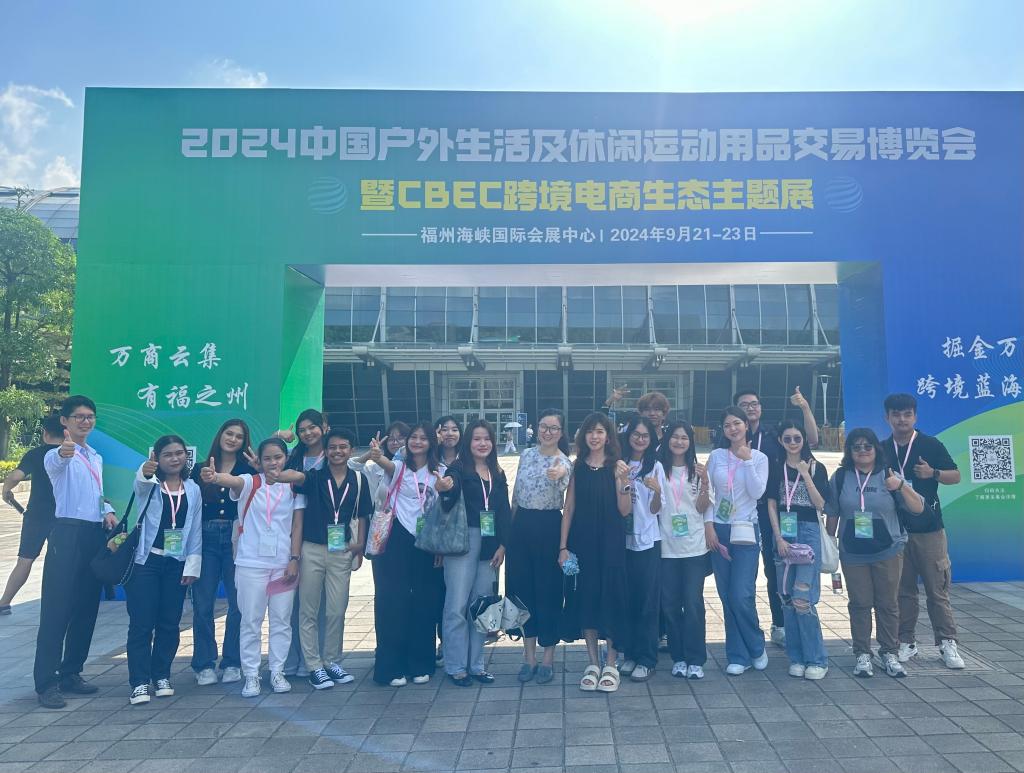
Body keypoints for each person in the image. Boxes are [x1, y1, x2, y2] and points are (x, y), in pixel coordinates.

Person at [200, 438, 305, 697]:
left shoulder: (294, 487)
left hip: (282, 565)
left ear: (286, 458)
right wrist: (215, 477)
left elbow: (297, 526)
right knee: (250, 621)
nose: (273, 463)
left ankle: (277, 671)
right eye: (267, 458)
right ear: (260, 460)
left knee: (281, 621)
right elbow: (233, 481)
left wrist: (294, 559)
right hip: (251, 564)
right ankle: (251, 674)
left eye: (278, 457)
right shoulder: (251, 482)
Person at [33, 395, 118, 708]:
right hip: (66, 534)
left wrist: (107, 510)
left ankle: (71, 672)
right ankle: (46, 682)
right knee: (57, 610)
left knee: (86, 608)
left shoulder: (95, 456)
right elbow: (59, 462)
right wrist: (64, 451)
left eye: (90, 416)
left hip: (93, 534)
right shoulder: (56, 455)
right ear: (64, 422)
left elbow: (94, 494)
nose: (85, 421)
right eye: (79, 417)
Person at [825, 428, 925, 679]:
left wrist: (900, 485)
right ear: (849, 451)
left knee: (888, 603)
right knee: (859, 603)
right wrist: (830, 544)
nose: (862, 451)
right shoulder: (840, 477)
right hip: (853, 553)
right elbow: (833, 513)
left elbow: (917, 508)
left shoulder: (889, 475)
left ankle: (889, 652)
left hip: (887, 550)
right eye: (856, 447)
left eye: (867, 446)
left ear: (875, 449)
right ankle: (862, 653)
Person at [881, 393, 965, 670]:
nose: (902, 419)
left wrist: (934, 473)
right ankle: (906, 641)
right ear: (887, 418)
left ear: (915, 416)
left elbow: (956, 476)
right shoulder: (882, 449)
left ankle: (947, 642)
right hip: (896, 531)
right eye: (896, 414)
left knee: (937, 590)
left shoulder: (930, 444)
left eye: (907, 414)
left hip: (929, 530)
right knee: (903, 591)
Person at [367, 422, 453, 686]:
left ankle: (421, 663)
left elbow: (446, 509)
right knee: (393, 601)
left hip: (427, 541)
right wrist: (375, 454)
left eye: (423, 438)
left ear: (432, 442)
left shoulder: (441, 471)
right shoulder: (398, 467)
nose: (417, 442)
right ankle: (391, 667)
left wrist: (444, 490)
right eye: (413, 437)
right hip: (396, 538)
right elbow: (381, 462)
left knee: (425, 602)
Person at [734, 386, 820, 649]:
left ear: (761, 408)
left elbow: (811, 439)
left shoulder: (774, 435)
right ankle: (748, 628)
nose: (750, 408)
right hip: (743, 512)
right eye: (744, 405)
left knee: (775, 567)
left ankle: (780, 623)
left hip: (773, 509)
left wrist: (804, 407)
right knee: (745, 572)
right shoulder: (732, 437)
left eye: (754, 403)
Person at [291, 428, 373, 689]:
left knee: (337, 609)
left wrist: (359, 546)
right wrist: (270, 471)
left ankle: (332, 661)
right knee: (308, 610)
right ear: (325, 451)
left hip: (342, 551)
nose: (338, 451)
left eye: (343, 447)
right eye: (333, 447)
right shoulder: (315, 477)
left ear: (351, 450)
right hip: (312, 549)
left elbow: (363, 514)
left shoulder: (358, 479)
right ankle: (314, 666)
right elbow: (294, 477)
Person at [125, 436, 203, 704]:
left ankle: (161, 675)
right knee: (142, 623)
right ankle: (139, 682)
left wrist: (192, 564)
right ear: (157, 458)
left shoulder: (192, 489)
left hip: (175, 563)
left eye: (179, 453)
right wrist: (145, 472)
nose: (174, 458)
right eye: (167, 454)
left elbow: (195, 529)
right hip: (146, 562)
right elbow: (140, 483)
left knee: (169, 623)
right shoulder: (150, 484)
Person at [559, 412, 632, 693]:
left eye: (600, 431)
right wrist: (563, 547)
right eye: (590, 431)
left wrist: (624, 481)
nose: (595, 436)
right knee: (587, 598)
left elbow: (624, 510)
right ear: (583, 436)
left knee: (612, 598)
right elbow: (569, 508)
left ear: (608, 436)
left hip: (611, 542)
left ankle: (611, 663)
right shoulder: (577, 467)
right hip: (583, 542)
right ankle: (592, 662)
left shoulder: (617, 466)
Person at [441, 420, 510, 686]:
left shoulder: (497, 473)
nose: (482, 444)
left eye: (487, 439)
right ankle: (456, 666)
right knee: (457, 605)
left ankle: (477, 665)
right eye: (477, 439)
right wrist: (445, 489)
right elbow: (449, 494)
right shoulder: (458, 468)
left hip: (491, 544)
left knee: (483, 608)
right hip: (464, 540)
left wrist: (504, 544)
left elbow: (503, 511)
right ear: (468, 442)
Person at [189, 419, 256, 687]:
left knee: (238, 604)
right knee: (203, 604)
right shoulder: (198, 469)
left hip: (235, 538)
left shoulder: (247, 470)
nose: (233, 439)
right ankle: (204, 663)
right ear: (220, 435)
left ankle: (232, 661)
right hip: (205, 538)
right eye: (229, 433)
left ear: (244, 442)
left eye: (239, 436)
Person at [704, 407, 770, 676]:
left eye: (737, 423)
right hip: (720, 529)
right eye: (727, 425)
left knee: (741, 594)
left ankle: (756, 644)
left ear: (746, 425)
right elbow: (708, 493)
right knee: (726, 596)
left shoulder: (760, 458)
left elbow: (757, 493)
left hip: (746, 531)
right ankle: (738, 655)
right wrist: (709, 526)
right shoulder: (716, 456)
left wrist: (747, 461)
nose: (733, 429)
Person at [508, 408, 571, 684]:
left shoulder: (565, 462)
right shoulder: (526, 455)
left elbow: (562, 482)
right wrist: (508, 532)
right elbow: (516, 496)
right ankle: (528, 657)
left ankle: (547, 658)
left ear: (561, 432)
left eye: (553, 428)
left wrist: (558, 473)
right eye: (544, 426)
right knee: (522, 592)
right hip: (521, 526)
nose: (548, 432)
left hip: (548, 527)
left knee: (548, 592)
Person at [766, 421, 830, 680]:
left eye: (797, 438)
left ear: (804, 440)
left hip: (808, 532)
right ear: (781, 441)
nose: (793, 443)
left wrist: (806, 475)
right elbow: (771, 504)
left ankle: (817, 659)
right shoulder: (776, 468)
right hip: (783, 534)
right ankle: (796, 657)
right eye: (788, 439)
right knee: (787, 600)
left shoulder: (816, 467)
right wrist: (778, 537)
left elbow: (821, 503)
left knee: (803, 599)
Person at [657, 421, 712, 680]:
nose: (679, 442)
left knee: (693, 603)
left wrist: (705, 483)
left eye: (684, 438)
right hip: (666, 547)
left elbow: (702, 507)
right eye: (675, 437)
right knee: (670, 604)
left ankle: (696, 658)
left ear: (690, 442)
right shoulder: (658, 468)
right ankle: (678, 657)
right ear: (667, 439)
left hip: (694, 548)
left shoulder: (698, 470)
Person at [281, 409, 330, 679]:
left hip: (319, 535)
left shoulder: (333, 455)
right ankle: (291, 659)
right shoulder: (292, 457)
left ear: (324, 427)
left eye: (312, 427)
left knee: (316, 603)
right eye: (302, 430)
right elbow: (267, 463)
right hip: (287, 531)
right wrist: (279, 436)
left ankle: (313, 659)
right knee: (290, 602)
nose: (308, 433)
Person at [618, 416, 666, 682]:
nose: (639, 439)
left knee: (647, 601)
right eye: (635, 434)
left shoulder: (655, 466)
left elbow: (657, 509)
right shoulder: (620, 464)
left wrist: (657, 491)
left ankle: (647, 659)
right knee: (627, 599)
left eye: (645, 435)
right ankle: (630, 653)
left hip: (648, 541)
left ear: (651, 440)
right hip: (622, 541)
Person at [0, 415, 62, 615]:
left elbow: (15, 476)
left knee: (25, 559)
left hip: (36, 515)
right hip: (63, 517)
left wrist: (6, 491)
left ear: (45, 433)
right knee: (62, 561)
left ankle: (4, 603)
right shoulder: (70, 454)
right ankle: (61, 602)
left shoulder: (35, 454)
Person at [350, 421, 410, 503]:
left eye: (400, 438)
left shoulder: (417, 466)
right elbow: (350, 469)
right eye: (391, 439)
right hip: (383, 511)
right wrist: (370, 453)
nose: (395, 443)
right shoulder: (377, 467)